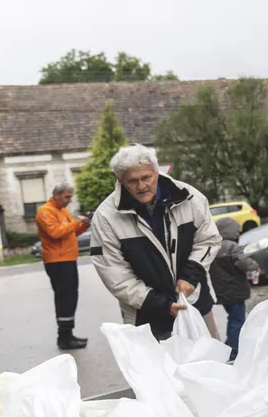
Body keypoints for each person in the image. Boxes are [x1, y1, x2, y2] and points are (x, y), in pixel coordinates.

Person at [90, 144, 222, 341]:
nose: (141, 186)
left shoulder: (190, 197)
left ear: (156, 171)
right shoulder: (106, 217)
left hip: (196, 304)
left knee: (210, 359)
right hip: (147, 317)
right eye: (132, 181)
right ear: (120, 180)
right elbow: (115, 274)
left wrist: (190, 275)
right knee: (159, 362)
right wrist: (160, 304)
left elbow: (209, 239)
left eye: (146, 177)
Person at [35, 183, 90, 350]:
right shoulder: (45, 211)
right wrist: (76, 222)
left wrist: (84, 224)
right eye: (67, 197)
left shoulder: (62, 211)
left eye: (70, 197)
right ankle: (64, 338)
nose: (70, 200)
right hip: (57, 261)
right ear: (57, 195)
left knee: (70, 297)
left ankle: (68, 334)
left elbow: (70, 232)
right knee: (65, 298)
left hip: (67, 259)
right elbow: (55, 233)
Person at [210, 217, 259, 360]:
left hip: (220, 291)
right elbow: (244, 263)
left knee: (232, 318)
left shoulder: (214, 246)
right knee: (237, 321)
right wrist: (255, 265)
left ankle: (229, 345)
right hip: (235, 291)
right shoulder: (232, 247)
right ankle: (233, 351)